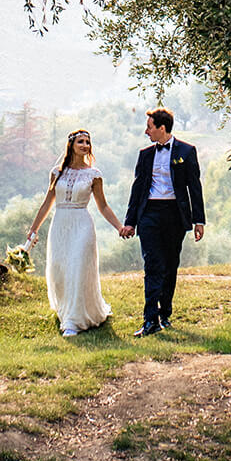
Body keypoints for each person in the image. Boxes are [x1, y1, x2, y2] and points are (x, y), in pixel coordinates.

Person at [25, 129, 124, 336]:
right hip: (60, 224)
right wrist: (34, 229)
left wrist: (119, 227)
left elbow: (103, 206)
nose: (85, 145)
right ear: (71, 145)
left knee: (78, 268)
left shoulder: (94, 175)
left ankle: (73, 321)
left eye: (88, 142)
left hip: (82, 225)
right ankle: (65, 310)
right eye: (81, 141)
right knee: (60, 269)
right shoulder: (56, 172)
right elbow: (47, 203)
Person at [118, 107, 205, 337]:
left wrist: (199, 220)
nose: (146, 131)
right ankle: (150, 320)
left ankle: (164, 312)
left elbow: (194, 188)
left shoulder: (186, 151)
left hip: (175, 214)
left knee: (170, 265)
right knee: (152, 265)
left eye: (149, 127)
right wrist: (130, 222)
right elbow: (137, 189)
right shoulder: (145, 155)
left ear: (162, 128)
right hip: (149, 214)